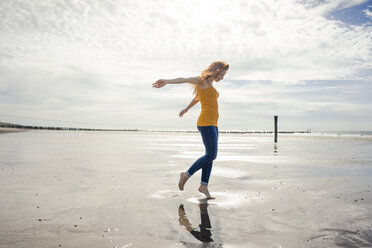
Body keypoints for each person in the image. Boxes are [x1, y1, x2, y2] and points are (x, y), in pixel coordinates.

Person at [152, 61, 229, 199]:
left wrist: (186, 109)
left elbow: (197, 98)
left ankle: (204, 185)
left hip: (214, 123)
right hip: (206, 123)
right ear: (216, 70)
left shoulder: (209, 85)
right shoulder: (201, 80)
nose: (222, 77)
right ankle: (186, 174)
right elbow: (184, 79)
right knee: (211, 155)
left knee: (209, 156)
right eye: (222, 74)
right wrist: (166, 81)